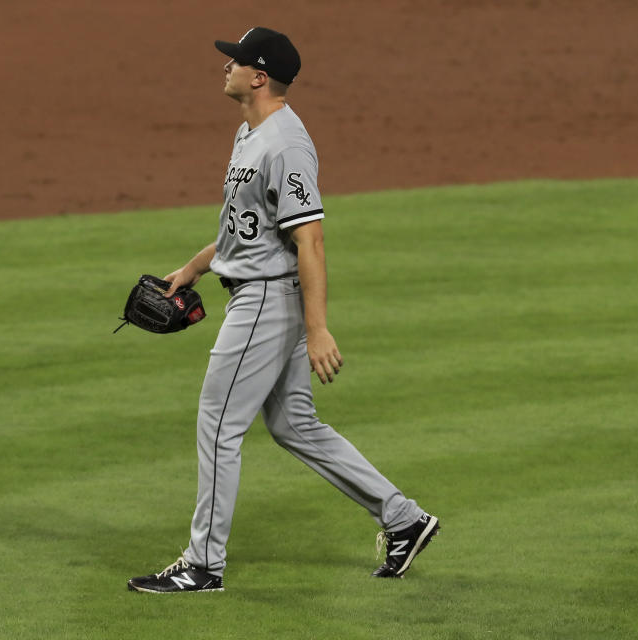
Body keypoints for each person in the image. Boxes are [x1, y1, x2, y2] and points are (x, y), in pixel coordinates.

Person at [127, 27, 439, 594]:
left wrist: (317, 328)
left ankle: (203, 565)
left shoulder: (287, 145)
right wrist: (195, 267)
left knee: (218, 424)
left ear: (260, 75)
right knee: (294, 425)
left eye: (236, 62)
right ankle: (404, 519)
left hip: (269, 300)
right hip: (260, 290)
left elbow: (309, 239)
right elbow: (244, 230)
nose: (226, 68)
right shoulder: (250, 134)